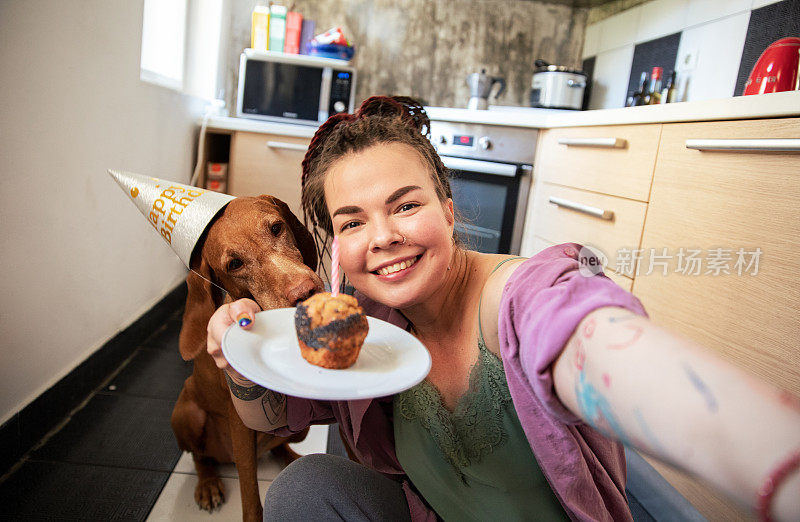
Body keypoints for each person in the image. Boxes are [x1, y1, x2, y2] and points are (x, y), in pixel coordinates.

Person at [206, 96, 800, 521]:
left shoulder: (521, 297)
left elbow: (590, 340)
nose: (382, 236)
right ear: (335, 244)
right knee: (304, 487)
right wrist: (239, 356)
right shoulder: (367, 326)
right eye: (353, 221)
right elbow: (269, 419)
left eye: (405, 205)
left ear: (446, 205)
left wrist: (774, 456)